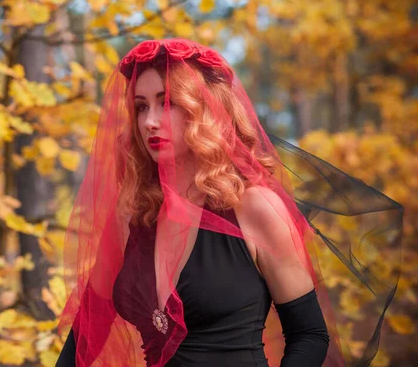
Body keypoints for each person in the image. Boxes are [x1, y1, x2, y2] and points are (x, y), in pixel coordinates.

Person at [55, 39, 404, 367]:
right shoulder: (133, 215)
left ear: (206, 109)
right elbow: (88, 326)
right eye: (141, 106)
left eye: (168, 102)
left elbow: (309, 335)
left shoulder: (255, 207)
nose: (149, 121)